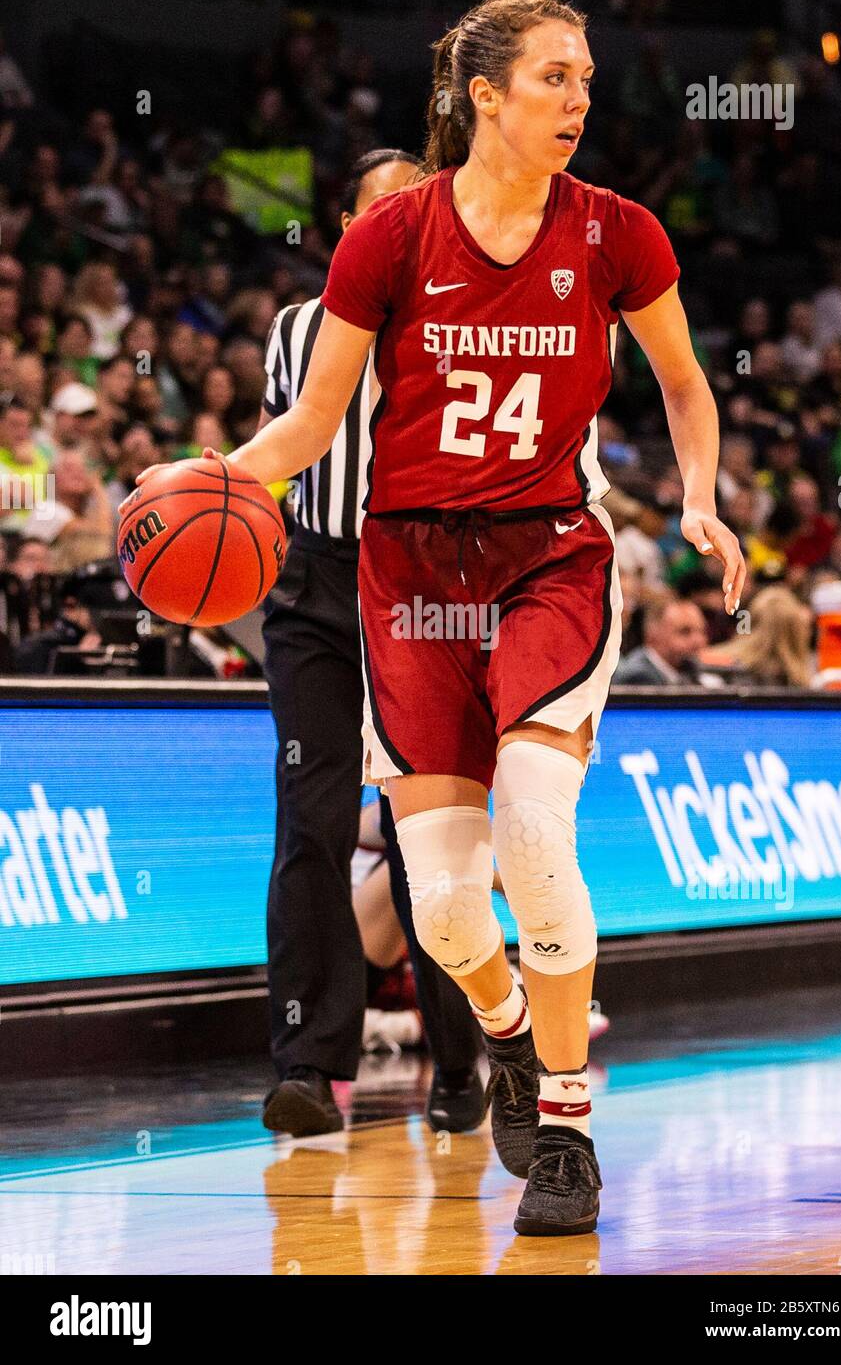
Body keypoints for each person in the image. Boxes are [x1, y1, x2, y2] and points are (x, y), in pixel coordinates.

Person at [130, 0, 744, 1237]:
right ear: (484, 95)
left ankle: (564, 1127)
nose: (579, 100)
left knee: (532, 824)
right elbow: (312, 423)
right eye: (553, 80)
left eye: (584, 79)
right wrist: (209, 480)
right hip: (405, 577)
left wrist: (698, 503)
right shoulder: (389, 237)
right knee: (450, 906)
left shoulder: (617, 233)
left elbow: (684, 382)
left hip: (548, 558)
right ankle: (508, 1037)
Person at [258, 148, 484, 1140]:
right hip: (311, 582)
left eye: (415, 209)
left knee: (419, 836)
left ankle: (459, 1056)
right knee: (309, 820)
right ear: (347, 228)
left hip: (422, 587)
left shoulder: (471, 331)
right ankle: (307, 1065)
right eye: (379, 209)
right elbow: (275, 459)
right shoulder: (295, 330)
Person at [611, 596, 711, 686]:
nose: (698, 641)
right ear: (653, 634)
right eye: (684, 632)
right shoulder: (636, 677)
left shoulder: (690, 669)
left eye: (702, 632)